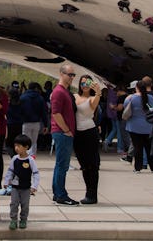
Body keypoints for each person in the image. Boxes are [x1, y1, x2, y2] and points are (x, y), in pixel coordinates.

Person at [50, 64, 78, 205]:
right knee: (63, 165)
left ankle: (57, 193)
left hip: (63, 132)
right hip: (62, 133)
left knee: (60, 165)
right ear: (61, 74)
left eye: (73, 75)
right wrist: (66, 130)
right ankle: (61, 194)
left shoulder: (64, 91)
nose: (72, 77)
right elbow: (56, 113)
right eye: (70, 74)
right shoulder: (59, 92)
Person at [2, 134, 39, 230]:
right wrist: (7, 181)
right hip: (15, 187)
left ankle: (23, 219)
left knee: (25, 205)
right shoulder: (14, 159)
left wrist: (34, 186)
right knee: (14, 203)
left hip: (26, 188)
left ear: (26, 147)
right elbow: (10, 171)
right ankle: (13, 220)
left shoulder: (30, 160)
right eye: (15, 146)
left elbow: (36, 174)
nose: (16, 148)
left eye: (19, 146)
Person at [73, 75, 101, 204]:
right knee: (83, 165)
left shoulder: (92, 98)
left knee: (92, 165)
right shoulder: (74, 96)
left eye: (87, 83)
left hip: (90, 132)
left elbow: (95, 104)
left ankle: (92, 194)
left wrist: (98, 92)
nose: (84, 85)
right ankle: (88, 192)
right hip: (77, 134)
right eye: (82, 83)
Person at [123, 80, 153, 173]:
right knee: (149, 147)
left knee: (137, 148)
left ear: (136, 88)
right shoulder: (151, 97)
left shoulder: (130, 98)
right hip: (148, 126)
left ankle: (137, 168)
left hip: (134, 126)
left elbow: (125, 108)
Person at [19, 82, 47, 157]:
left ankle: (25, 156)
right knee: (34, 141)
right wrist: (46, 124)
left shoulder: (23, 97)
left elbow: (20, 110)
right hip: (36, 123)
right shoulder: (40, 98)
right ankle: (33, 156)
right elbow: (44, 112)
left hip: (26, 122)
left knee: (25, 141)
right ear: (36, 88)